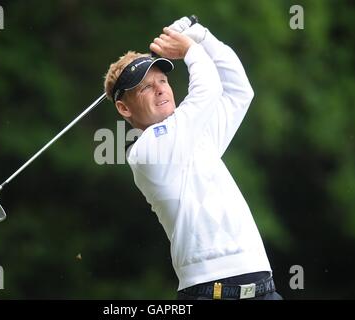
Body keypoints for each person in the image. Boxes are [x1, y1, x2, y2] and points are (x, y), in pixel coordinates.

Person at [103, 17, 282, 300]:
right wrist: (189, 50)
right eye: (146, 87)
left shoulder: (198, 136)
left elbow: (238, 90)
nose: (161, 88)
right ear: (124, 108)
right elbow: (208, 90)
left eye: (162, 80)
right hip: (211, 291)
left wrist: (202, 36)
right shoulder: (146, 151)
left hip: (264, 287)